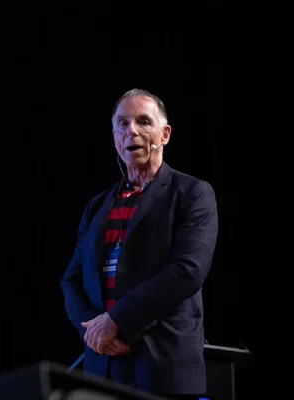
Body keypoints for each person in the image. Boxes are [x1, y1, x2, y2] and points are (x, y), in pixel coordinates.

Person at [60, 88, 219, 400]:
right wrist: (94, 334)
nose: (130, 130)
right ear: (114, 137)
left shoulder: (192, 193)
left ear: (165, 134)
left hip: (164, 370)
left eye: (143, 121)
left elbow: (189, 270)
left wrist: (115, 320)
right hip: (102, 372)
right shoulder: (96, 206)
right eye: (122, 123)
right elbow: (72, 281)